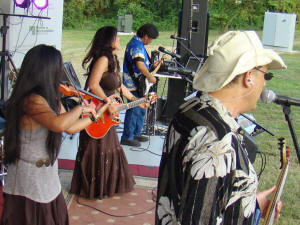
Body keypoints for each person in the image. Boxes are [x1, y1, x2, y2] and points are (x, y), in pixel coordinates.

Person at [155, 31, 286, 225]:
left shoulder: (191, 108)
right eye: (266, 74)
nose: (265, 83)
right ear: (248, 77)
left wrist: (251, 204)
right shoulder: (217, 142)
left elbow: (200, 194)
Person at [1, 44, 107, 225]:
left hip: (48, 179)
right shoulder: (31, 100)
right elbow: (59, 124)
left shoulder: (50, 97)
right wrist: (82, 107)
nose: (60, 75)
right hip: (27, 181)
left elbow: (70, 127)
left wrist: (98, 113)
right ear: (46, 70)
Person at [70, 26, 139, 199]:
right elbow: (93, 85)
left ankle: (105, 186)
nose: (119, 40)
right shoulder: (102, 59)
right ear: (109, 40)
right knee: (97, 147)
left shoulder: (113, 59)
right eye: (117, 37)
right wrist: (107, 103)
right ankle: (94, 189)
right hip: (97, 110)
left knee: (109, 147)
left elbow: (117, 85)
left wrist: (135, 100)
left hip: (107, 111)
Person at [121, 23, 159, 147]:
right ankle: (128, 136)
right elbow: (140, 65)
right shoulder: (136, 45)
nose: (151, 41)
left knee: (141, 108)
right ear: (146, 36)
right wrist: (150, 77)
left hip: (139, 82)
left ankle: (136, 132)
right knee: (134, 108)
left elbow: (143, 63)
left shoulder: (138, 44)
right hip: (134, 83)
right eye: (151, 38)